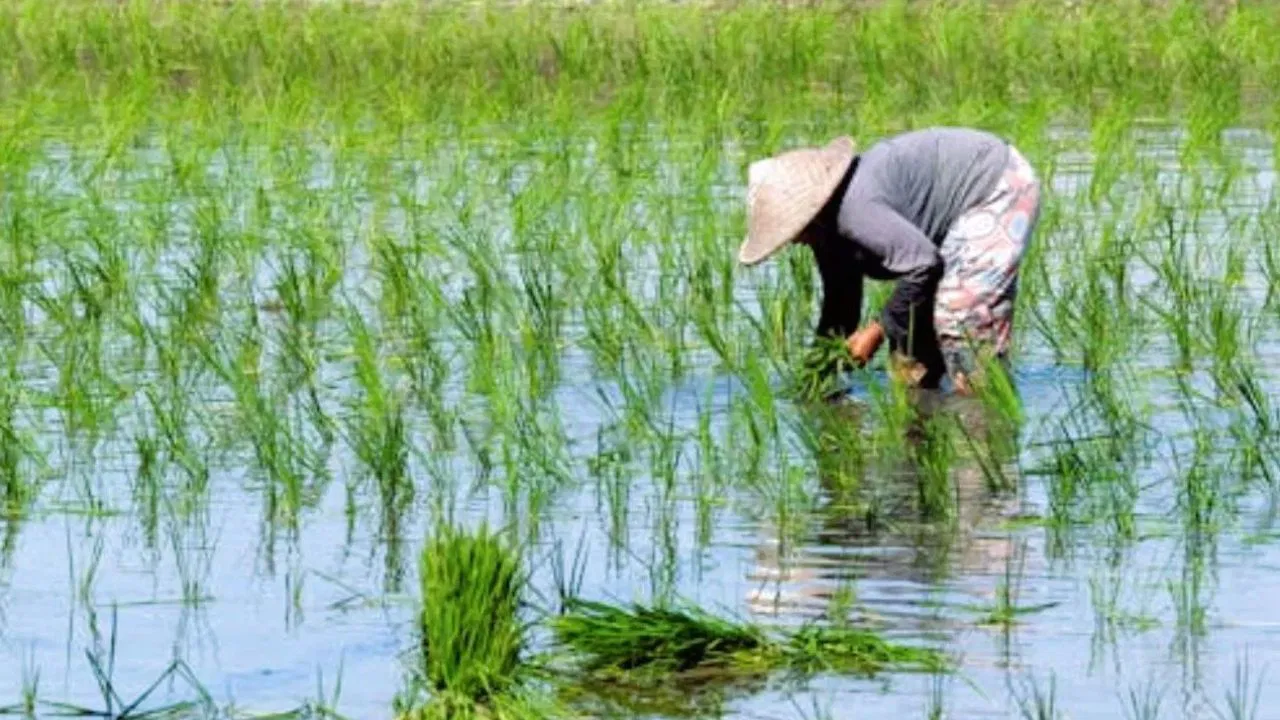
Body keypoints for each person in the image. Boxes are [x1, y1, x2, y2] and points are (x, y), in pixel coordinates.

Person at [738, 127, 1042, 394]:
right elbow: (840, 306)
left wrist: (876, 330)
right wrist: (817, 375)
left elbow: (924, 264)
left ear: (811, 212)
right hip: (948, 227)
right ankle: (922, 431)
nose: (792, 239)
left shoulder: (857, 210)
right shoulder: (827, 232)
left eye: (792, 228)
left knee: (959, 318)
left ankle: (985, 421)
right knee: (908, 358)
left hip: (995, 185)